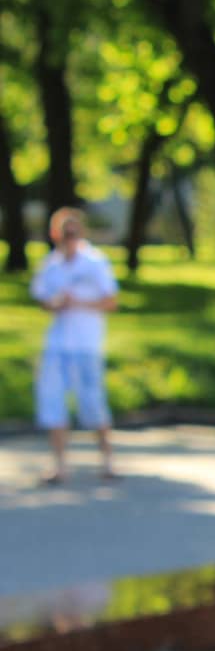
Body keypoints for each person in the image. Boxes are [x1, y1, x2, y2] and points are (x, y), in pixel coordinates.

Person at [30, 207, 118, 484]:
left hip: (87, 344)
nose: (69, 238)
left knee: (94, 404)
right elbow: (42, 299)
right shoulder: (50, 265)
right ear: (55, 234)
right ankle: (60, 466)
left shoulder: (95, 262)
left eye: (74, 232)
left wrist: (78, 303)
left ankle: (107, 462)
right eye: (65, 233)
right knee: (53, 403)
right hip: (57, 344)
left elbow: (111, 301)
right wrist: (55, 303)